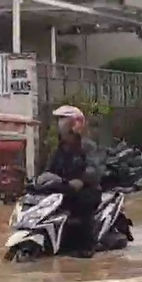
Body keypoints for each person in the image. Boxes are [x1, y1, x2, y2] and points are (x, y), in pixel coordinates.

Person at [43, 105, 103, 258]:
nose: (59, 123)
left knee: (82, 207)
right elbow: (49, 170)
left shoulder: (88, 146)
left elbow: (94, 168)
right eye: (58, 119)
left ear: (75, 123)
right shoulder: (59, 149)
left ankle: (87, 246)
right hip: (63, 191)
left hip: (86, 191)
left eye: (63, 119)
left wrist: (81, 181)